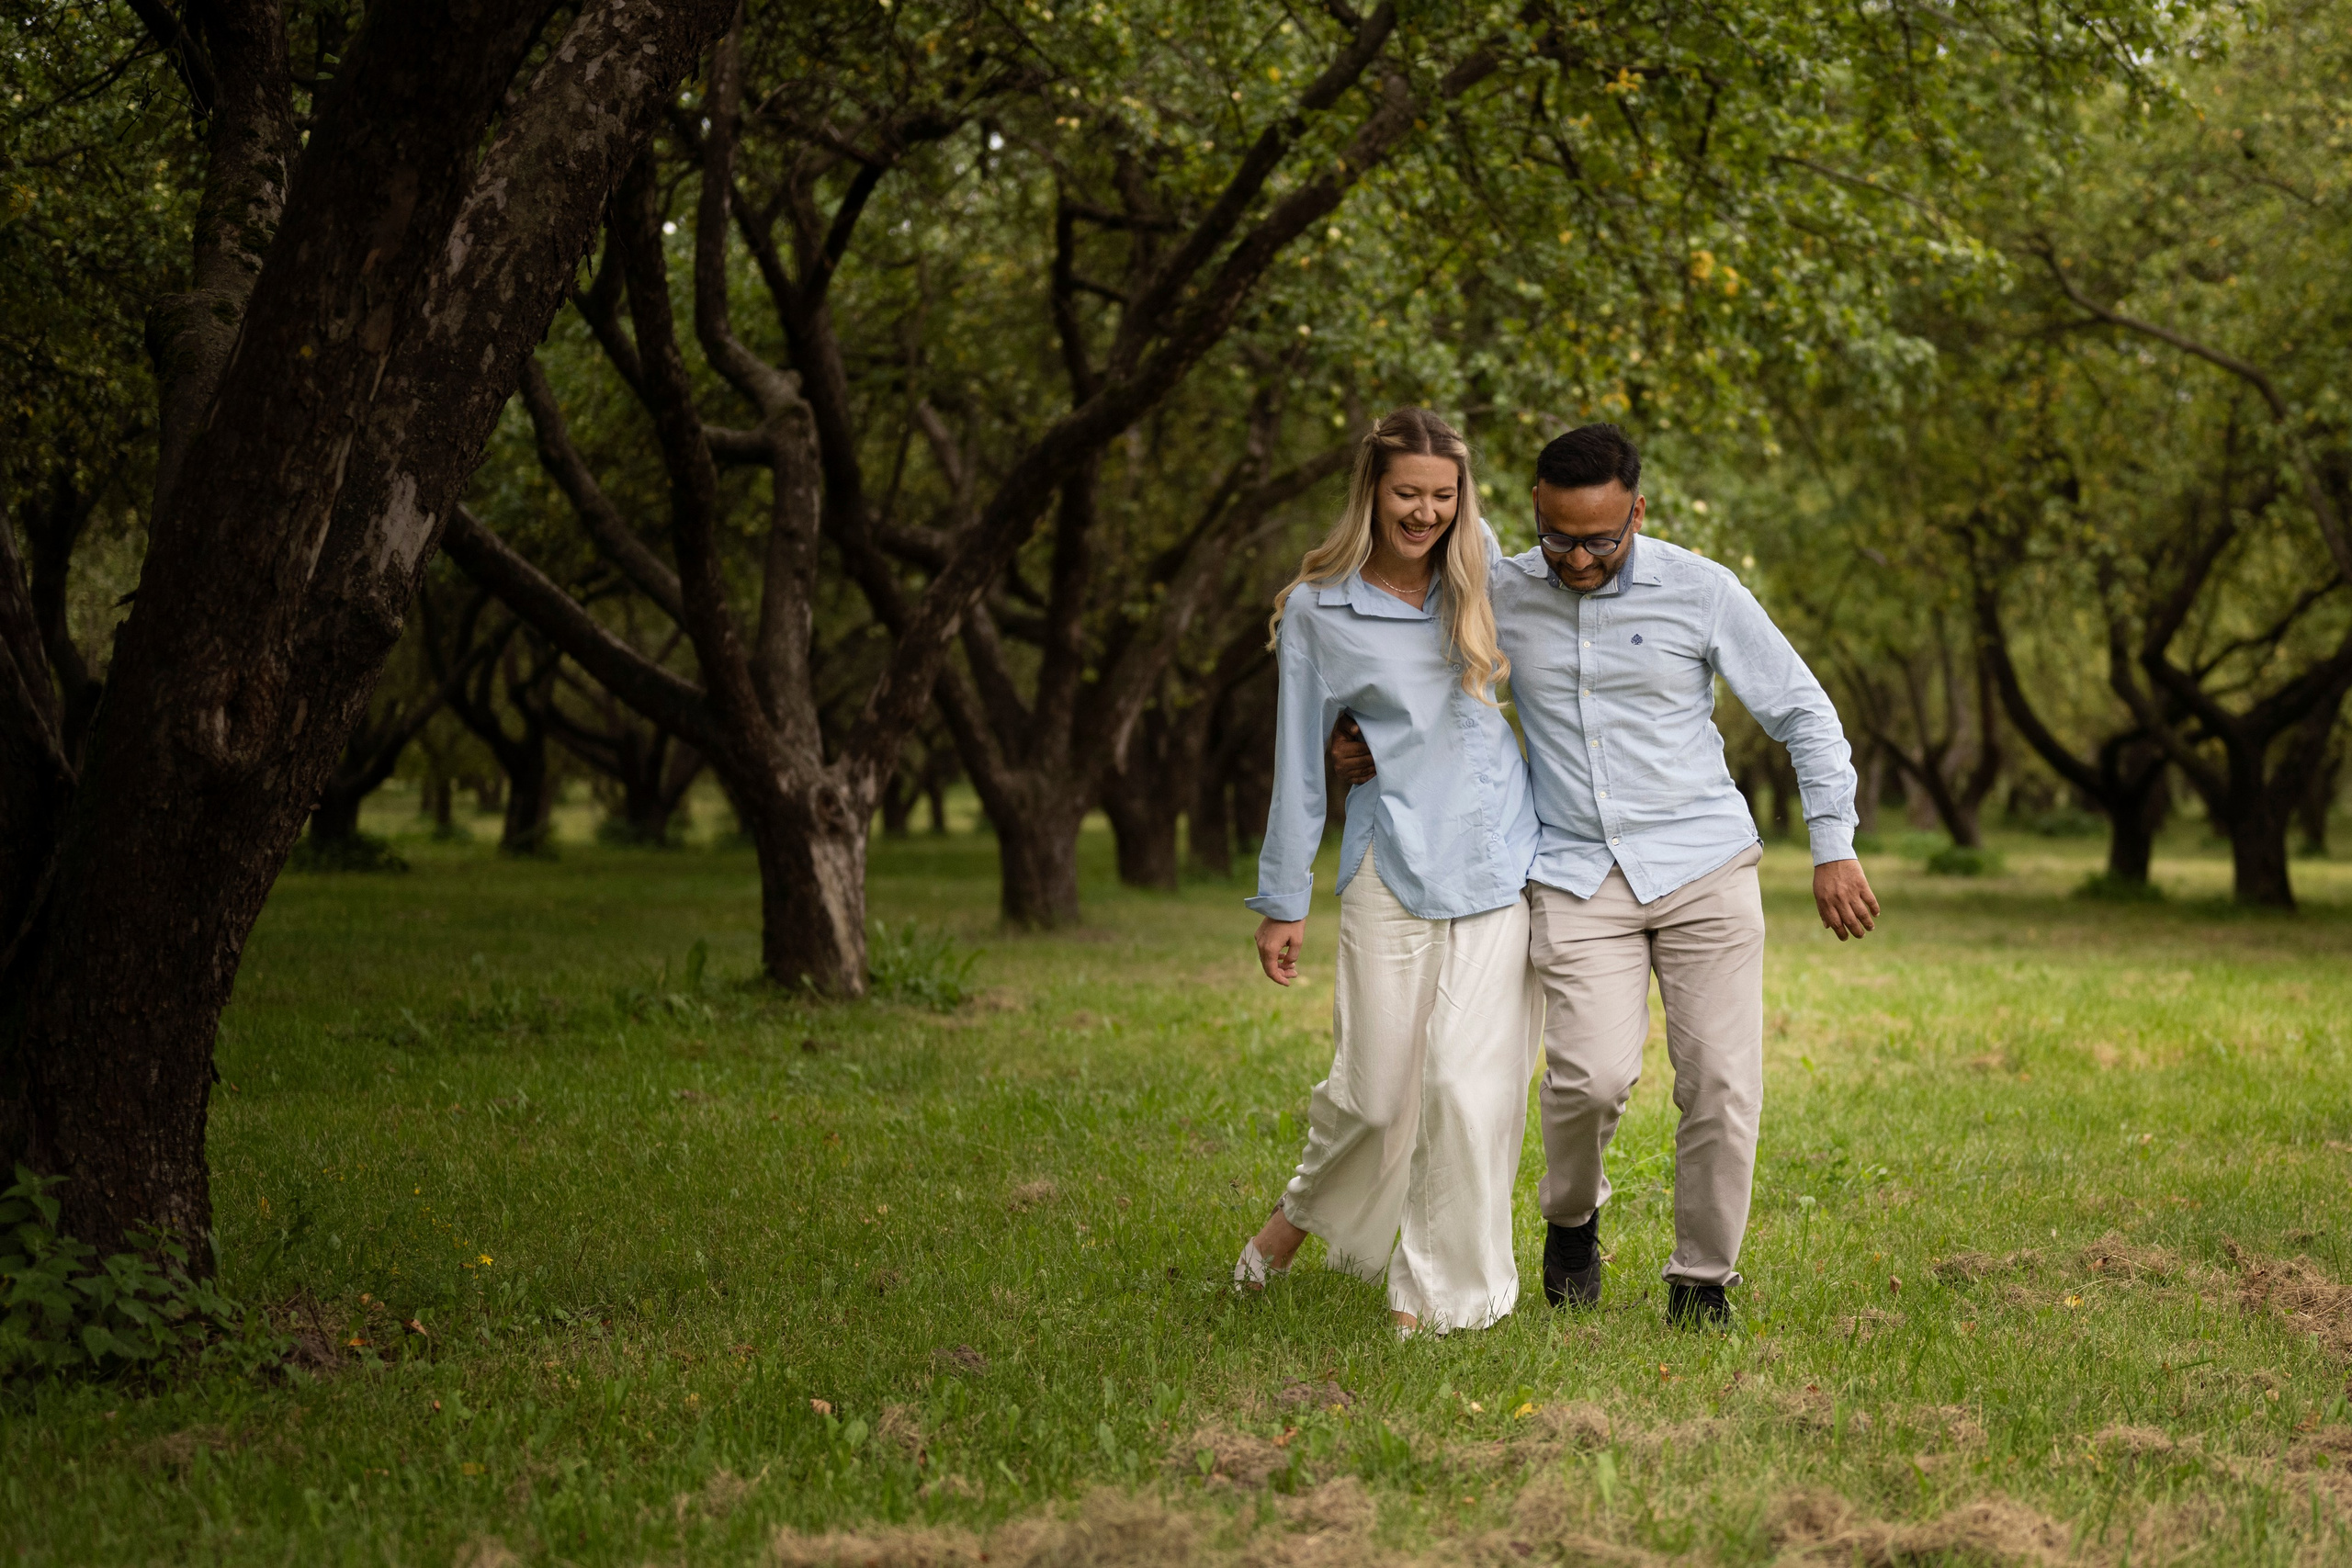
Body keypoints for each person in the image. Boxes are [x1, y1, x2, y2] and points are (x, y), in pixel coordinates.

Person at [1333, 423, 1879, 1329]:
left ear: (1637, 511)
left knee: (1721, 1084)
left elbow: (1804, 713)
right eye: (1556, 537)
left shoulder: (1701, 590)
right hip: (1578, 873)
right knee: (1588, 1079)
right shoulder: (1499, 589)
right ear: (1534, 514)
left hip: (1704, 864)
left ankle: (1701, 1282)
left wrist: (1834, 843)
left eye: (1598, 539)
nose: (1575, 559)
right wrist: (1354, 739)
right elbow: (1403, 673)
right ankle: (1570, 1219)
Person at [1235, 408, 1543, 1337]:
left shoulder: (1477, 560)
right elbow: (1298, 760)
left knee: (1465, 1089)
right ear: (1370, 489)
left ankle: (1433, 1299)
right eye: (1407, 493)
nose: (1425, 514)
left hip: (1494, 855)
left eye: (1442, 496)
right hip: (1389, 861)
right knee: (1373, 1094)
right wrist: (1283, 901)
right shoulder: (1317, 610)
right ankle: (1291, 1224)